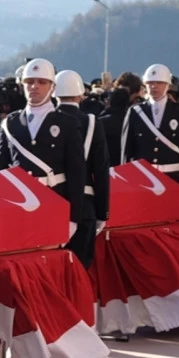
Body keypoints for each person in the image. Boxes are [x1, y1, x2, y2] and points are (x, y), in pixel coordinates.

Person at [0, 58, 86, 242]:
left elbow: (76, 173)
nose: (34, 86)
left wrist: (73, 217)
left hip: (54, 200)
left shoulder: (67, 122)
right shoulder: (10, 123)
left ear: (53, 87)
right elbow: (0, 171)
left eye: (42, 82)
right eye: (29, 82)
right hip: (19, 204)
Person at [121, 64, 179, 217]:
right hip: (143, 181)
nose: (154, 86)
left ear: (168, 85)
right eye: (150, 83)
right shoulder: (135, 112)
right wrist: (127, 186)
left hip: (173, 180)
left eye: (159, 83)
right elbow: (126, 153)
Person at [54, 69, 110, 268]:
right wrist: (102, 212)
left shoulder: (46, 121)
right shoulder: (92, 122)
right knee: (79, 269)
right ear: (80, 95)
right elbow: (101, 171)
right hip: (85, 206)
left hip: (52, 204)